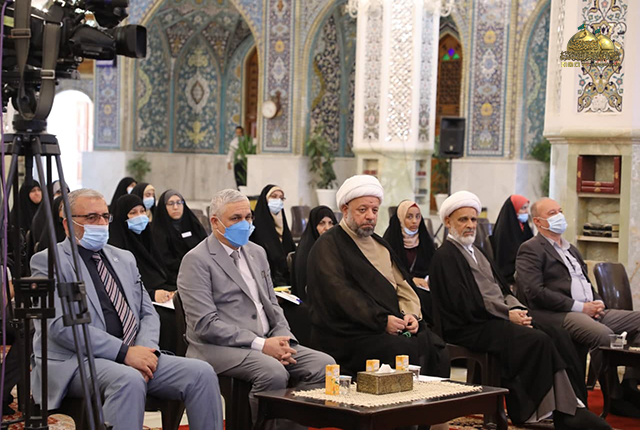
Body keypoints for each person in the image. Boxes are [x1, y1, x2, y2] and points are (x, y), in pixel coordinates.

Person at [30, 188, 223, 430]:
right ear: (68, 224)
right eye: (91, 218)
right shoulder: (49, 262)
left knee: (201, 373)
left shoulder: (124, 258)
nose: (101, 223)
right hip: (77, 360)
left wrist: (144, 351)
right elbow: (62, 328)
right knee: (128, 379)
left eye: (105, 216)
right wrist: (124, 353)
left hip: (132, 353)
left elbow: (147, 312)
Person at [429, 191, 610, 429]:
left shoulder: (478, 252)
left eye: (473, 219)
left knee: (558, 334)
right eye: (463, 220)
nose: (470, 225)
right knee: (537, 340)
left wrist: (517, 309)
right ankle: (542, 411)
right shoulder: (445, 256)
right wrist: (507, 315)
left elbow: (503, 289)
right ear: (447, 222)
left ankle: (573, 405)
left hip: (495, 318)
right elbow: (463, 303)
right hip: (470, 325)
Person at [177, 189, 334, 426]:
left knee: (324, 365)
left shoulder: (256, 252)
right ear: (215, 222)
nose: (245, 223)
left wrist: (283, 339)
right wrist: (261, 345)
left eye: (248, 217)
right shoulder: (196, 260)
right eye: (236, 218)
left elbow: (272, 304)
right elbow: (205, 324)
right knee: (272, 371)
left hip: (268, 339)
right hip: (217, 347)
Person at [306, 175, 450, 379]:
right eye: (362, 210)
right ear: (345, 210)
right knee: (400, 349)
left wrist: (410, 315)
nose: (370, 216)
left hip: (388, 325)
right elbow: (340, 295)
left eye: (374, 210)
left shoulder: (380, 244)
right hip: (348, 332)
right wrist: (381, 321)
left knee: (436, 347)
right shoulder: (328, 245)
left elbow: (403, 286)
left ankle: (430, 401)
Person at [516, 197, 640, 416]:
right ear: (538, 221)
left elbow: (585, 283)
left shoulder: (571, 249)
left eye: (560, 211)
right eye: (552, 213)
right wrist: (580, 307)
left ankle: (629, 384)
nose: (559, 216)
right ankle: (614, 397)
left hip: (588, 310)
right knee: (604, 335)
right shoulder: (531, 249)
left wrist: (598, 301)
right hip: (558, 313)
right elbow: (534, 292)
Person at [109, 194, 177, 353]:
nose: (139, 216)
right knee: (166, 318)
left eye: (142, 211)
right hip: (135, 303)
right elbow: (121, 285)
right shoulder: (116, 246)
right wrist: (152, 294)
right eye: (132, 213)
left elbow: (161, 273)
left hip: (162, 296)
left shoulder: (148, 239)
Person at [383, 200, 436, 322]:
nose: (414, 221)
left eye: (418, 216)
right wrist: (411, 279)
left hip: (425, 286)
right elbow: (387, 271)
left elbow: (433, 265)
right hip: (401, 287)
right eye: (409, 217)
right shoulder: (390, 240)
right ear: (400, 218)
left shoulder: (425, 240)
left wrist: (428, 279)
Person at [151, 190, 208, 286]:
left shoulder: (193, 225)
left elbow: (205, 247)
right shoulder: (158, 231)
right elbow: (165, 260)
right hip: (174, 278)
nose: (175, 207)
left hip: (201, 272)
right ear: (163, 207)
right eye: (170, 203)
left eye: (179, 202)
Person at [250, 185, 296, 286]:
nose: (278, 201)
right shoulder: (255, 230)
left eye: (281, 198)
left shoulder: (284, 229)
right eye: (274, 196)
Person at [292, 205, 336, 299]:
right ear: (313, 226)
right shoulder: (307, 251)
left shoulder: (336, 248)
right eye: (322, 223)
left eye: (330, 223)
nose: (327, 228)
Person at [490, 195, 533, 285]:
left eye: (527, 208)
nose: (527, 212)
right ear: (514, 210)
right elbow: (506, 257)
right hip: (510, 273)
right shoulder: (504, 229)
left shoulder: (523, 226)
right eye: (523, 208)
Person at [9, 180, 42, 276]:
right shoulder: (16, 216)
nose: (37, 193)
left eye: (39, 190)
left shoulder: (45, 214)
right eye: (33, 191)